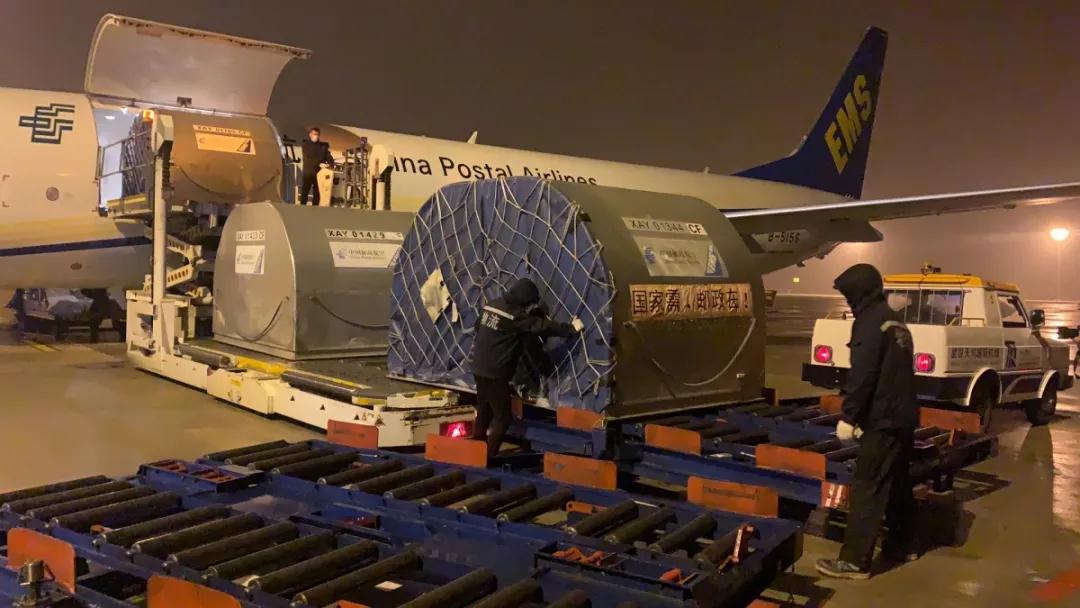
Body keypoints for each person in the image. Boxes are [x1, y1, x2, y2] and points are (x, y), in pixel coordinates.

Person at [816, 263, 920, 580]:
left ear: (858, 293)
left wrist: (850, 416)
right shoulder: (894, 321)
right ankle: (903, 545)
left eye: (848, 295)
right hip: (903, 416)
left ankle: (855, 561)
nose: (847, 301)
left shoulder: (869, 322)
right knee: (898, 484)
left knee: (867, 488)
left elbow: (864, 374)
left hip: (883, 420)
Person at [471, 278, 583, 459]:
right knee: (503, 417)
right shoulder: (513, 315)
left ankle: (476, 449)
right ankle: (488, 456)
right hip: (495, 373)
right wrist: (570, 329)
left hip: (478, 367)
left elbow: (478, 326)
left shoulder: (492, 305)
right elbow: (540, 326)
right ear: (524, 299)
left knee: (484, 408)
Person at [299, 127, 334, 205]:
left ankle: (315, 208)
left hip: (319, 174)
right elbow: (308, 158)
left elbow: (328, 156)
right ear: (310, 135)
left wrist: (330, 163)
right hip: (308, 173)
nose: (316, 136)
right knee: (305, 192)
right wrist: (319, 163)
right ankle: (302, 208)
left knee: (317, 193)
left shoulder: (323, 147)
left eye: (318, 134)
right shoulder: (306, 145)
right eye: (315, 134)